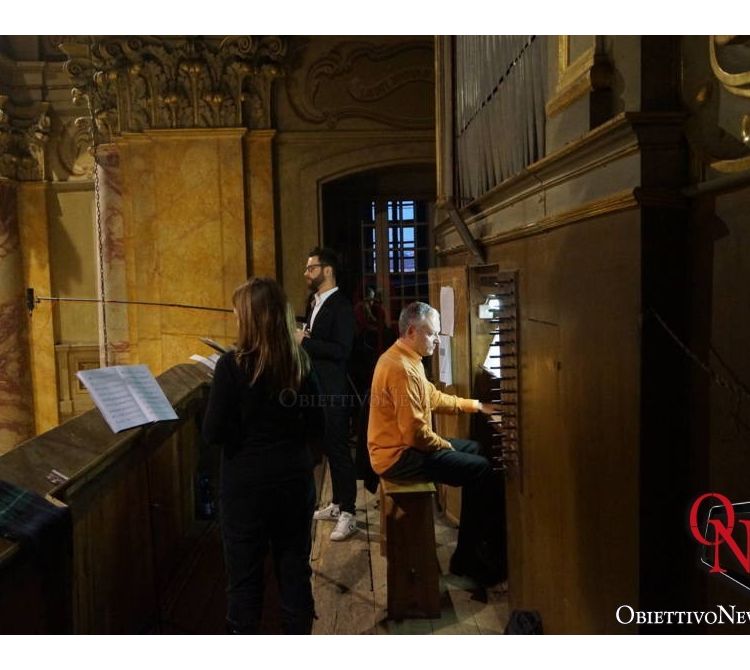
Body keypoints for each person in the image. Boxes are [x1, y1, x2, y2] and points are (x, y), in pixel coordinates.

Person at [203, 277, 323, 634]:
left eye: (238, 313)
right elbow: (318, 424)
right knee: (295, 572)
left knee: (244, 581)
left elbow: (213, 433)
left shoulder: (231, 366)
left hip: (246, 488)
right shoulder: (300, 362)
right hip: (293, 481)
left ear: (251, 319)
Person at [367, 301, 504, 585]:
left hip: (403, 447)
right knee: (480, 470)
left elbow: (432, 397)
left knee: (477, 450)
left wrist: (476, 405)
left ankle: (473, 546)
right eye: (432, 333)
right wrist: (444, 445)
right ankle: (467, 558)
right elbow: (415, 435)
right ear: (412, 331)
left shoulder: (406, 358)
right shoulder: (401, 368)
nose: (437, 340)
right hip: (397, 456)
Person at [295, 247, 358, 541]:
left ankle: (349, 513)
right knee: (329, 447)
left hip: (334, 389)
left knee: (339, 449)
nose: (306, 273)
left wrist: (305, 342)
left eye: (311, 268)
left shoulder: (341, 305)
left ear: (327, 271)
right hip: (317, 387)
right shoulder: (315, 302)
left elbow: (342, 350)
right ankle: (336, 504)